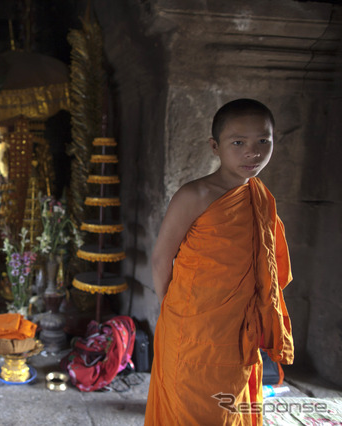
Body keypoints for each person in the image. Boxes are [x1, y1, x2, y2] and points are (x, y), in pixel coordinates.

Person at [144, 99, 293, 425]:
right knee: (187, 409)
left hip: (238, 331)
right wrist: (174, 309)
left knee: (230, 409)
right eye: (238, 142)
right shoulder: (194, 196)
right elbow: (160, 259)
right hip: (190, 326)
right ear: (215, 146)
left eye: (263, 141)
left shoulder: (261, 197)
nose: (252, 152)